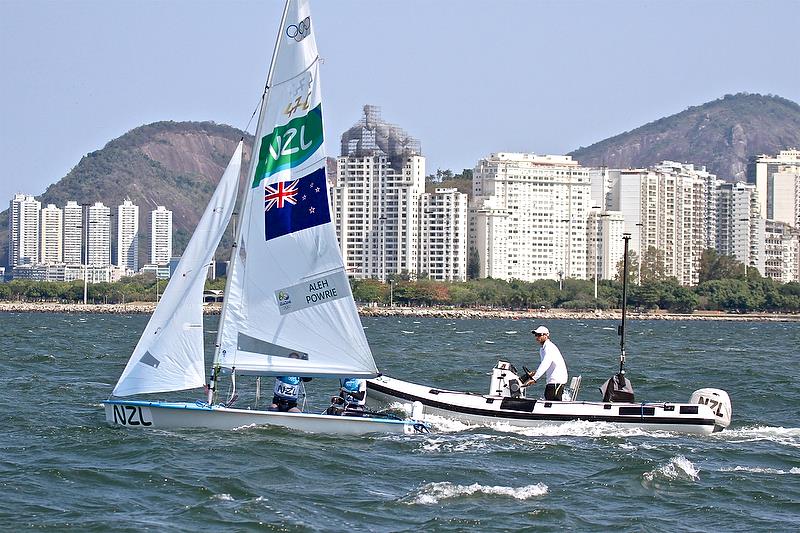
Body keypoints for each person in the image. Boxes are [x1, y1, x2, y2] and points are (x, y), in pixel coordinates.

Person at [525, 325, 568, 401]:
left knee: (552, 403)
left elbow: (546, 364)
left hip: (556, 380)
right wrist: (534, 373)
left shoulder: (549, 347)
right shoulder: (543, 349)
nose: (537, 337)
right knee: (548, 399)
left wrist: (534, 379)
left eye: (539, 335)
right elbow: (544, 365)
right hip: (551, 381)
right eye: (536, 335)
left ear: (546, 336)